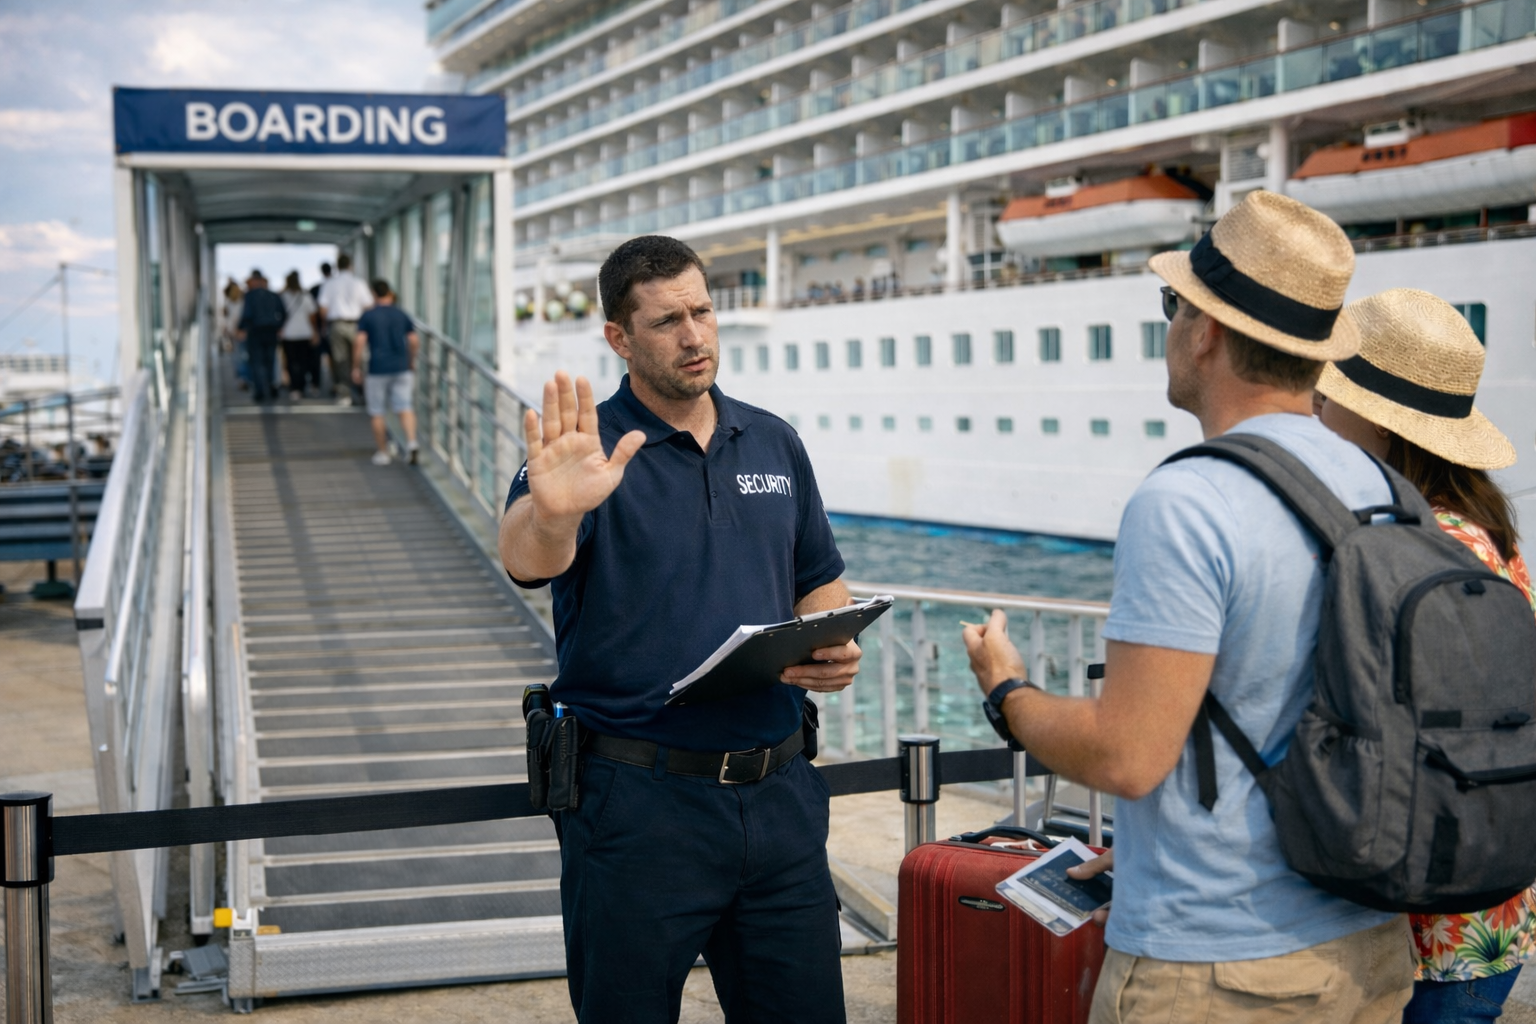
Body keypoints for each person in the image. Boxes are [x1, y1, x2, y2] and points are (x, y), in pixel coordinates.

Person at [961, 192, 1416, 1024]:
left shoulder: (1189, 500)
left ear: (1204, 330)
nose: (1169, 324)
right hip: (1369, 942)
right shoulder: (1383, 486)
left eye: (1172, 303)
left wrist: (1007, 690)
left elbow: (1127, 758)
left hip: (1221, 969)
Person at [498, 234, 859, 1024]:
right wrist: (553, 514)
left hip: (781, 796)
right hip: (637, 806)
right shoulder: (587, 453)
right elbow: (525, 558)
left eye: (702, 311)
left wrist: (833, 644)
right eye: (666, 322)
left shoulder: (773, 439)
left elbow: (817, 580)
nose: (694, 336)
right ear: (619, 338)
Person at [1315, 287, 1532, 1024]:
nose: (1318, 405)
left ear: (1379, 420)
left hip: (1419, 923)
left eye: (1331, 395)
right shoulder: (1484, 535)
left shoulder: (1403, 547)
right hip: (1490, 907)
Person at [352, 279, 419, 467]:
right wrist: (411, 360)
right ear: (389, 292)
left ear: (374, 294)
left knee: (377, 412)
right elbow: (414, 341)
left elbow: (359, 342)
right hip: (402, 367)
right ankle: (412, 443)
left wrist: (356, 367)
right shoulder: (401, 314)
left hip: (377, 369)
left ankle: (383, 453)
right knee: (405, 407)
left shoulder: (368, 316)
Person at [318, 253, 373, 404]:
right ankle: (363, 391)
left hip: (337, 324)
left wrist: (324, 326)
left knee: (340, 359)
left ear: (337, 266)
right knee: (360, 357)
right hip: (357, 324)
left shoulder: (330, 284)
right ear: (350, 266)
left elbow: (323, 309)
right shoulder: (359, 283)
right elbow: (368, 305)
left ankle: (345, 393)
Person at [236, 270, 286, 403]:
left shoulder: (250, 296)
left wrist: (241, 328)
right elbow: (283, 312)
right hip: (271, 331)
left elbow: (247, 314)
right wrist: (278, 326)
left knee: (257, 362)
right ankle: (271, 385)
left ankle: (260, 390)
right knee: (270, 360)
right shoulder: (273, 295)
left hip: (255, 332)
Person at [279, 271, 319, 399]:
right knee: (303, 361)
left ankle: (294, 387)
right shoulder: (305, 296)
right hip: (304, 333)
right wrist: (315, 331)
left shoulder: (282, 296)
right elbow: (312, 316)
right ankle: (301, 385)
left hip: (288, 333)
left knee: (291, 362)